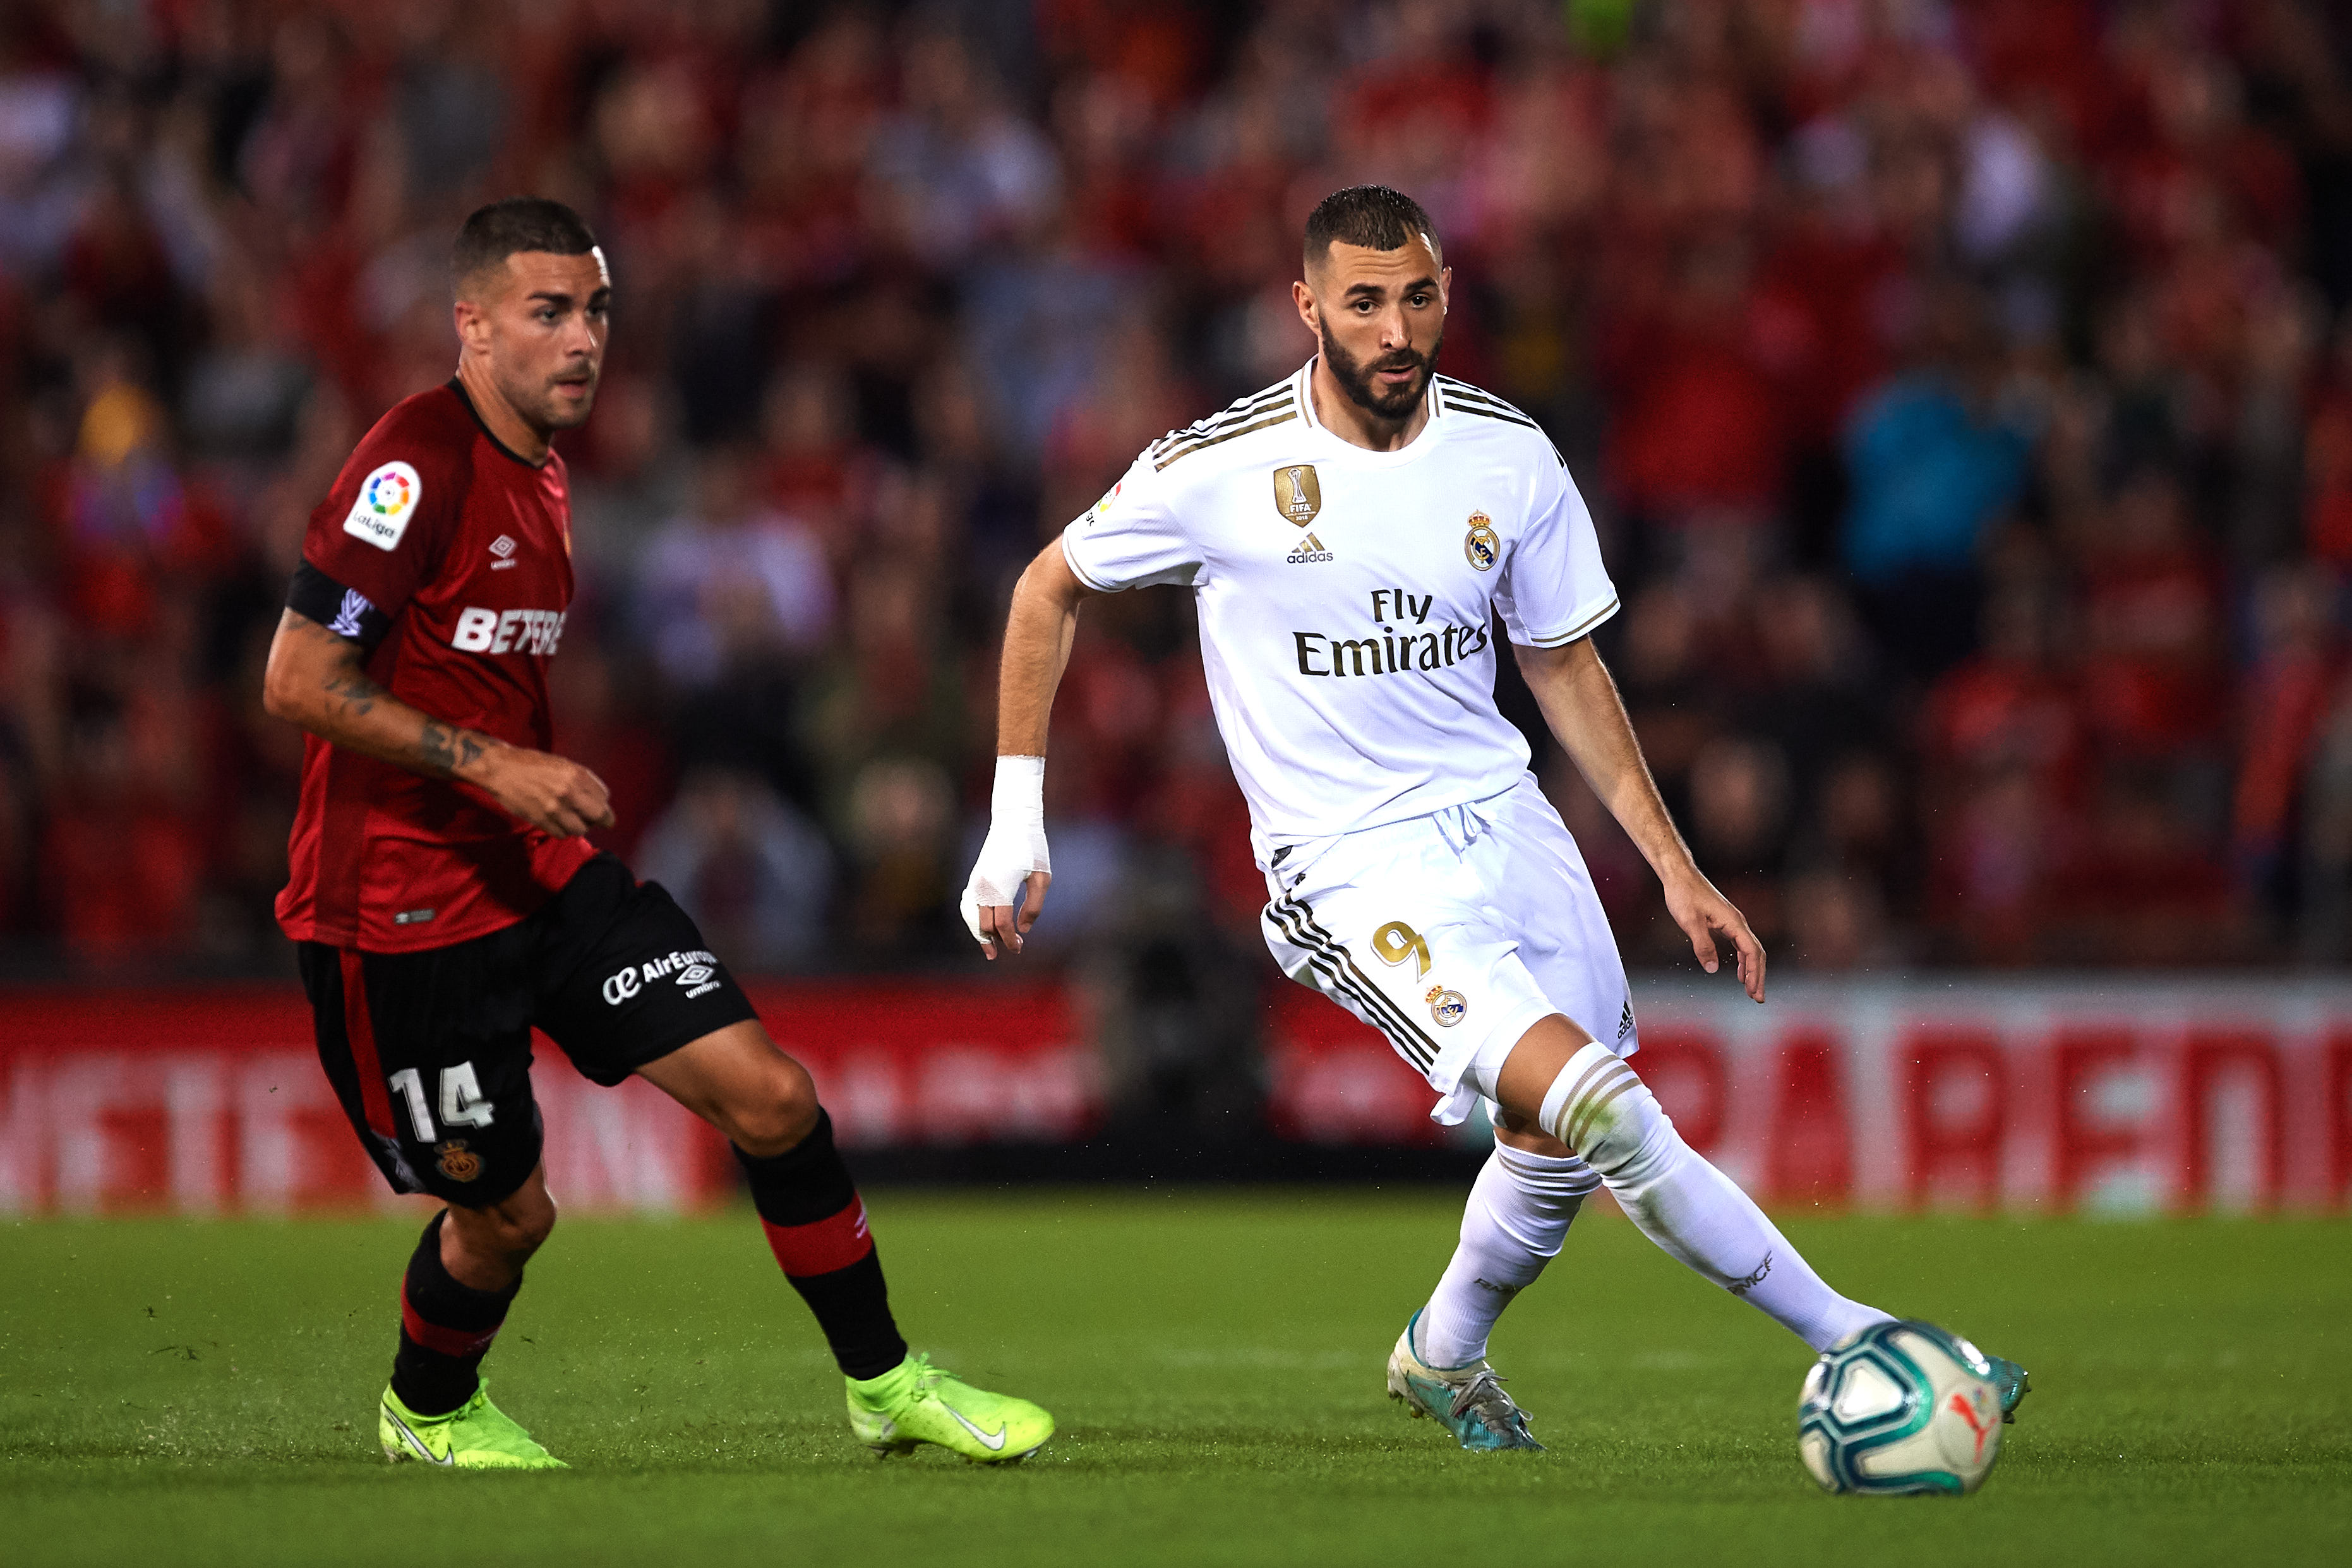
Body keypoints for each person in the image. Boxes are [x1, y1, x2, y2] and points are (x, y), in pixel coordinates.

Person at [964, 186, 2028, 1451]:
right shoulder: (1218, 468)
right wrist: (1013, 820)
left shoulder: (1507, 454)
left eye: (1415, 296)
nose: (1394, 327)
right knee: (1605, 1108)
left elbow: (1564, 666)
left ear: (1446, 292)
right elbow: (1046, 589)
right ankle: (1867, 1341)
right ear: (1307, 308)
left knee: (1554, 1138)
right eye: (1361, 302)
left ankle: (1441, 1352)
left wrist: (1674, 867)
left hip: (1506, 821)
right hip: (1346, 866)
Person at [263, 197, 1050, 1469]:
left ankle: (883, 1380)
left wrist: (519, 788)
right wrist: (496, 765)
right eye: (548, 313)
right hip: (395, 912)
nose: (584, 340)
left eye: (596, 311)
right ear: (470, 325)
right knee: (509, 1216)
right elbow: (297, 679)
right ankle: (427, 1408)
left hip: (538, 875)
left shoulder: (552, 472)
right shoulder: (412, 463)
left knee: (773, 1098)